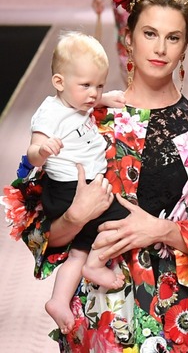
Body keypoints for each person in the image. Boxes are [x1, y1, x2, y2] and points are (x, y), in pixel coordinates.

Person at [3, 0, 188, 351]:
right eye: (149, 33)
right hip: (100, 320)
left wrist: (160, 231)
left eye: (173, 37)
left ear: (185, 45)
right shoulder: (87, 123)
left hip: (181, 321)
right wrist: (76, 216)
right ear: (127, 38)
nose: (160, 48)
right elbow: (42, 233)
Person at [27, 31, 128, 335]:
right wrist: (42, 151)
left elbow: (90, 103)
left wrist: (105, 98)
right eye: (86, 86)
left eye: (98, 85)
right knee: (121, 218)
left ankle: (58, 300)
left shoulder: (78, 103)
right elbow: (33, 151)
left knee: (78, 250)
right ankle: (96, 265)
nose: (92, 94)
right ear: (59, 83)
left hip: (78, 187)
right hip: (70, 189)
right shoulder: (49, 113)